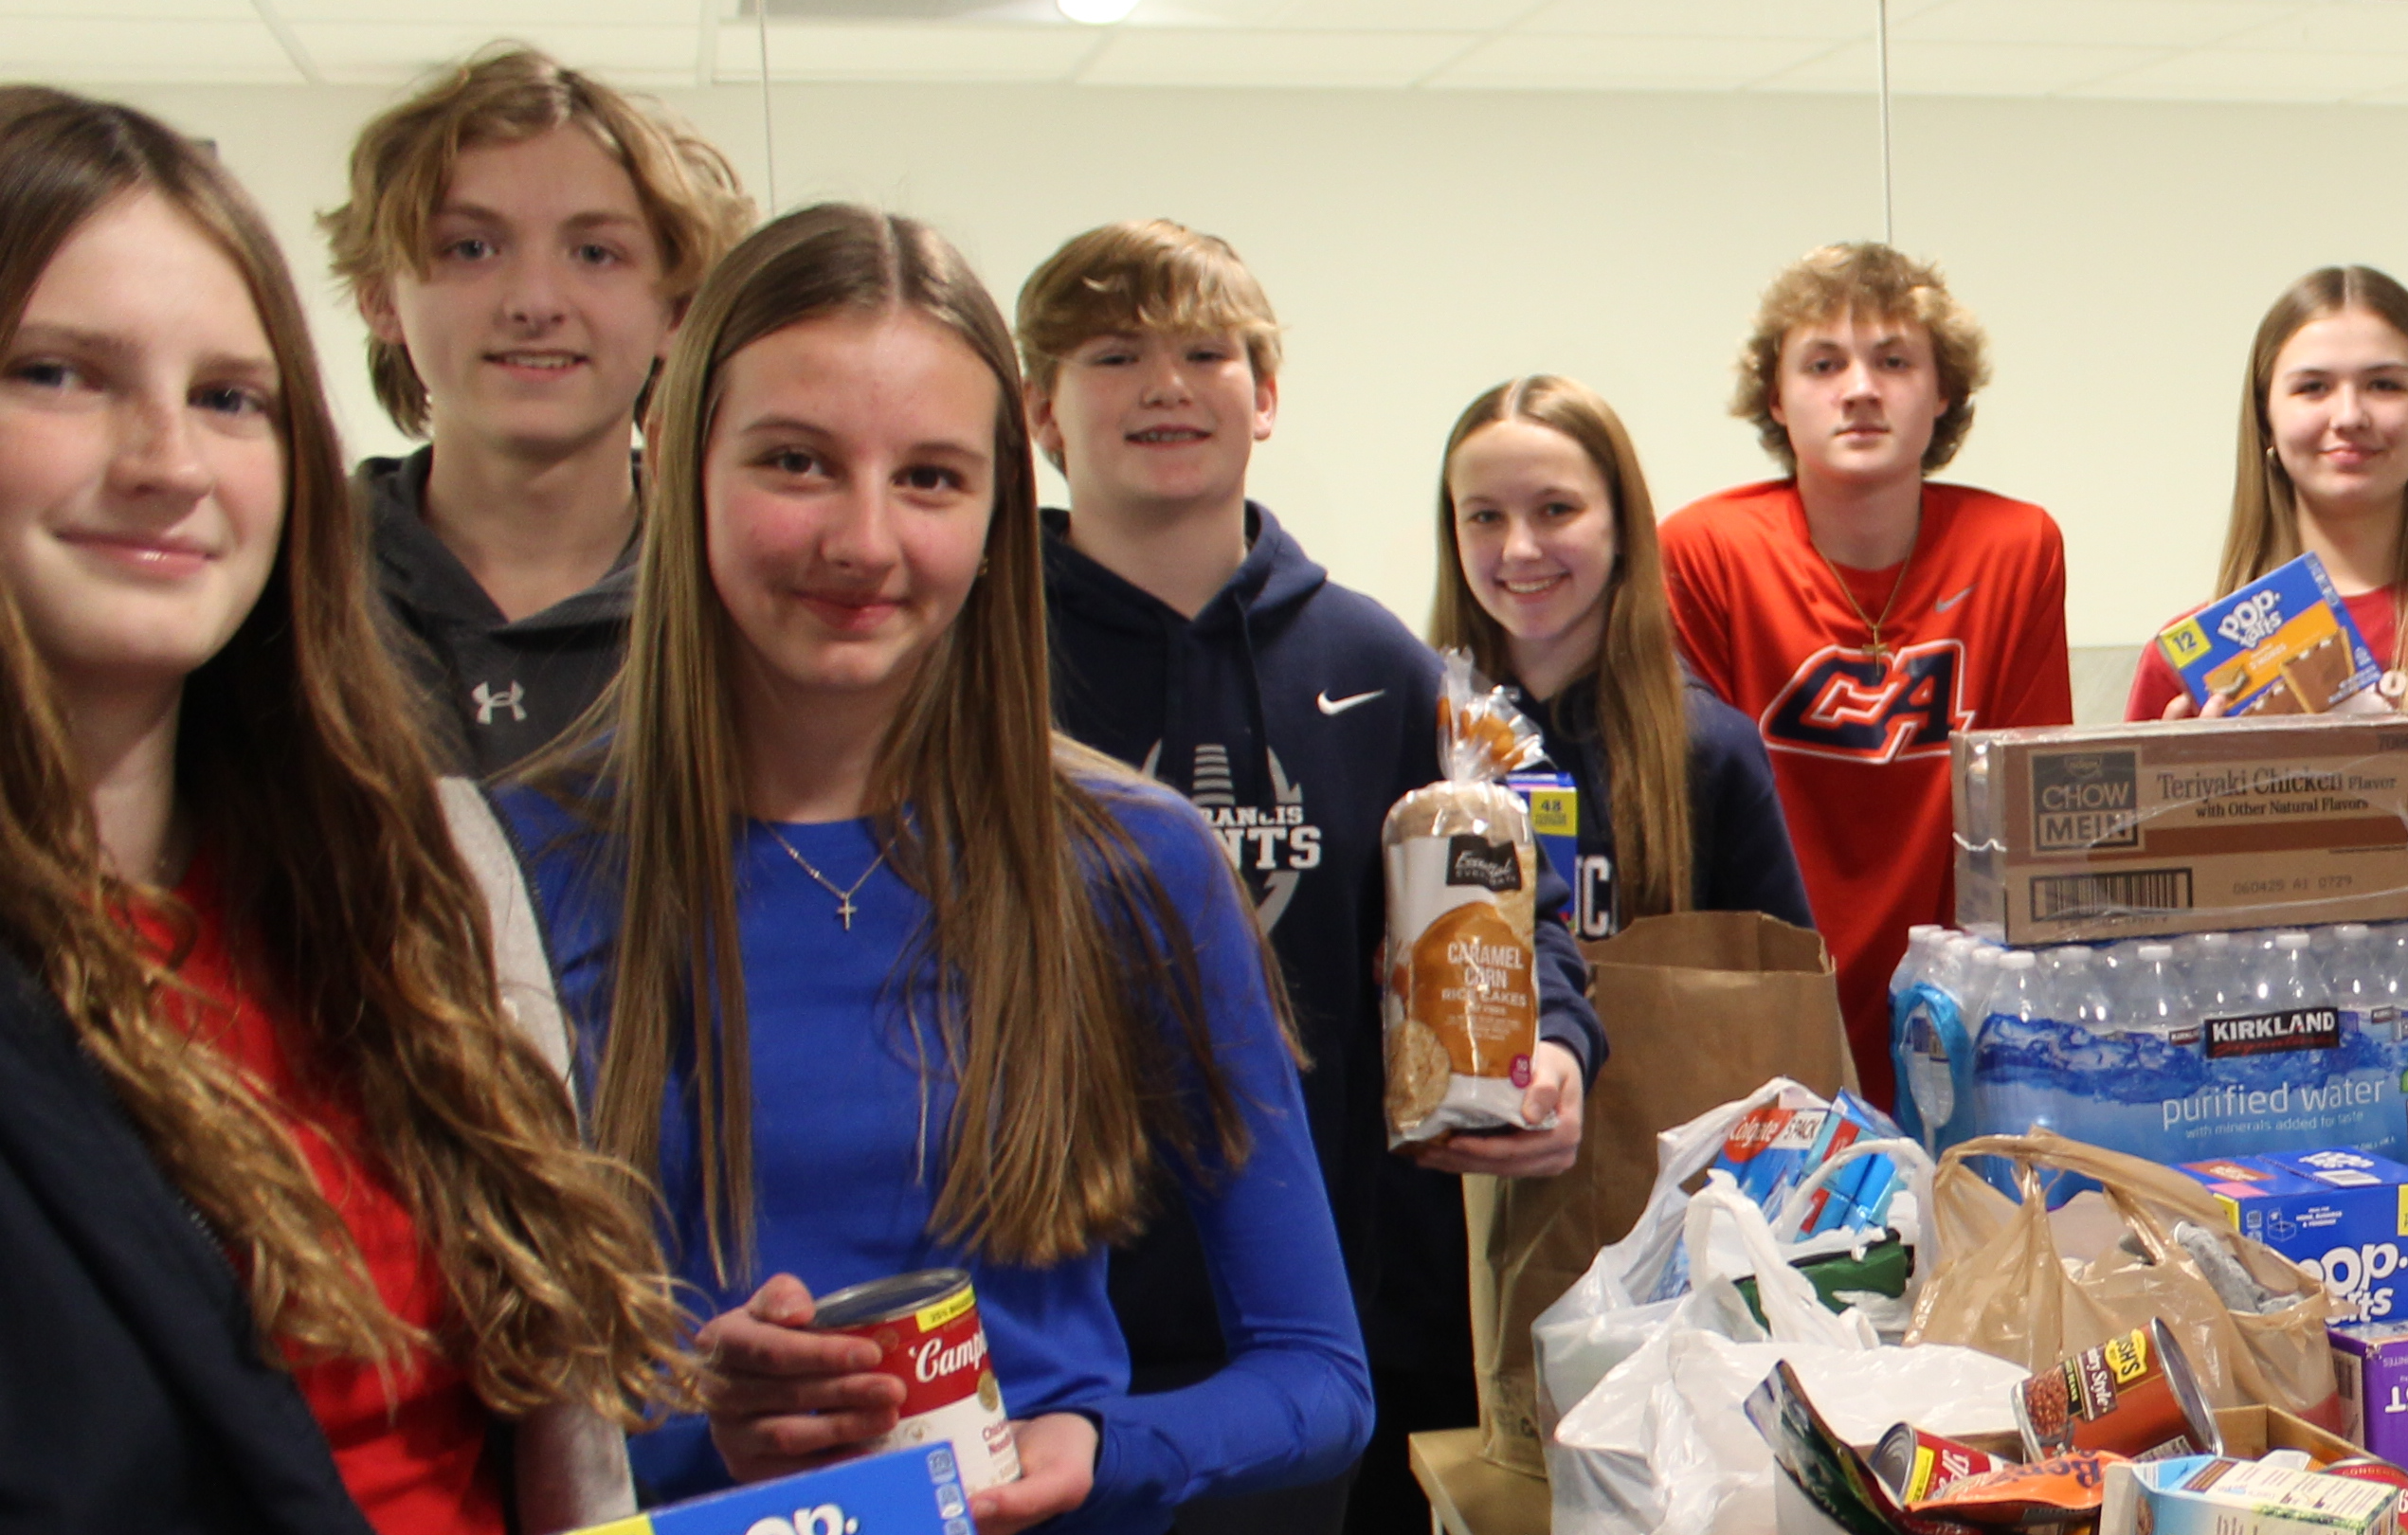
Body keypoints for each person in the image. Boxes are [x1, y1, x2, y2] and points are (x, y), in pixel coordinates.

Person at [503, 203, 1371, 1531]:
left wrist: (1096, 1443)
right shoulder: (516, 868)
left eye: (930, 479)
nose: (865, 543)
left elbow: (1317, 1381)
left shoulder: (1130, 861)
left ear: (999, 501)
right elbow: (447, 1406)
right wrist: (692, 1415)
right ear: (679, 459)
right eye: (796, 463)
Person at [0, 86, 690, 1535]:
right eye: (59, 375)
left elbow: (538, 1431)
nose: (168, 462)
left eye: (228, 397)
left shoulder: (405, 868)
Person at [1007, 217, 1591, 1535]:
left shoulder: (1373, 658)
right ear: (1042, 409)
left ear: (1265, 396)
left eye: (1205, 351)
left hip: (1335, 1317)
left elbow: (1508, 912)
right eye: (1115, 354)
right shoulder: (975, 662)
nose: (1165, 383)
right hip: (1057, 1319)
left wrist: (1553, 1043)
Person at [1663, 242, 2072, 1101]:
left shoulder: (2016, 548)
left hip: (1953, 1018)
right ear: (1776, 396)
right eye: (1823, 363)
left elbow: (2034, 821)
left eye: (1894, 361)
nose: (1859, 388)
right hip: (1763, 1005)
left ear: (1944, 391)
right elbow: (1692, 828)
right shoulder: (1706, 552)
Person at [319, 43, 752, 773]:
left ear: (676, 310)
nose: (534, 303)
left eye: (594, 254)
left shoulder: (747, 582)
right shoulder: (295, 575)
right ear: (381, 296)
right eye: (471, 247)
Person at [1430, 373, 1810, 938]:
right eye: (1485, 516)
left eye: (1556, 509)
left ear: (1623, 526)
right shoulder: (1419, 736)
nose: (1519, 549)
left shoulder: (1707, 748)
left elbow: (1784, 997)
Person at [2130, 265, 2408, 717]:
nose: (2348, 416)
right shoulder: (2187, 669)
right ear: (2266, 418)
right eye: (2313, 387)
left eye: (2384, 385)